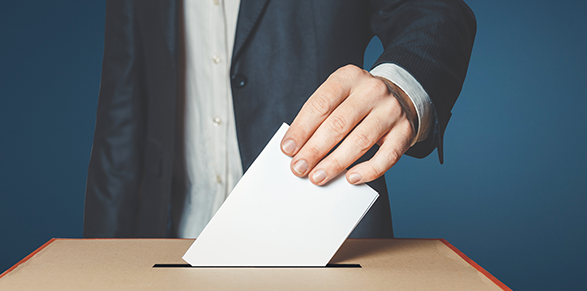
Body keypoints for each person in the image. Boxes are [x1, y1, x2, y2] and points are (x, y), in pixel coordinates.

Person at [84, 0, 476, 238]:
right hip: (169, 242)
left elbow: (433, 9)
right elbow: (122, 113)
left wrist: (402, 85)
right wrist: (99, 267)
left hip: (323, 242)